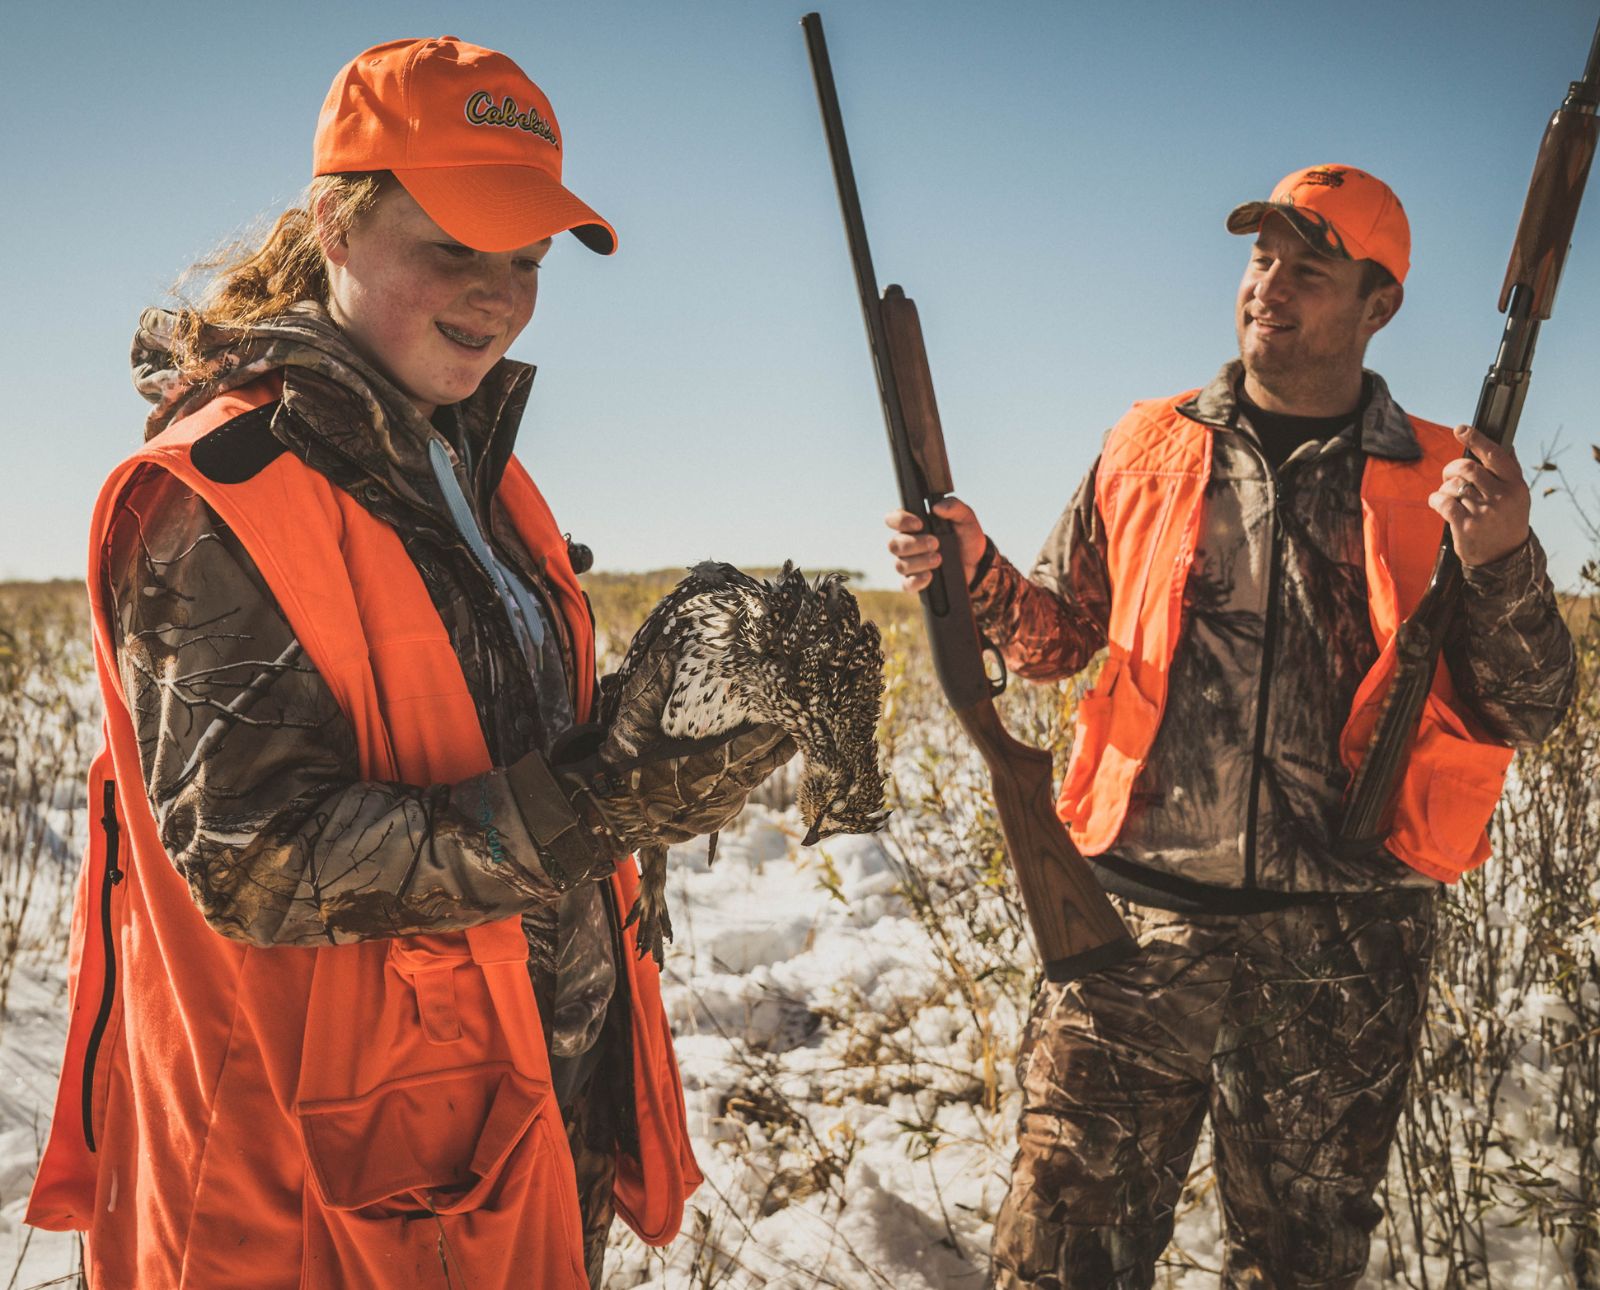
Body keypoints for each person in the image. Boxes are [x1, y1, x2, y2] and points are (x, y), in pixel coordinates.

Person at [25, 36, 794, 1290]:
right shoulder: (215, 498)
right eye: (456, 246)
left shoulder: (485, 479)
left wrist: (652, 745)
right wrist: (590, 800)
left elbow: (473, 738)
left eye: (528, 260)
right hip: (325, 1175)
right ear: (336, 220)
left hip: (526, 1116)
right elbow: (254, 859)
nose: (497, 295)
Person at [885, 165, 1576, 1288]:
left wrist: (1498, 557)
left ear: (1378, 305)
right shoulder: (1146, 441)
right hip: (1128, 933)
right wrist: (975, 573)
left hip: (1342, 947)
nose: (1271, 284)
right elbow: (1059, 640)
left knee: (1299, 1267)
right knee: (1061, 1258)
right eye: (1261, 258)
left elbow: (1534, 703)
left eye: (1311, 267)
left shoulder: (1448, 475)